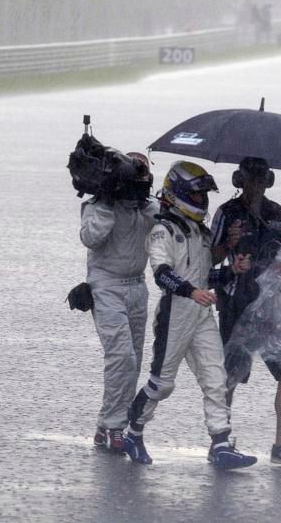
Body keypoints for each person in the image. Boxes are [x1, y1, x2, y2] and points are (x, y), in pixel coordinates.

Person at [125, 160, 257, 470]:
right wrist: (191, 292)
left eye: (203, 196)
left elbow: (203, 276)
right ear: (177, 194)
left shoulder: (200, 233)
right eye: (196, 196)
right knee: (162, 384)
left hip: (200, 312)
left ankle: (221, 443)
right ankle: (133, 432)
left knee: (216, 378)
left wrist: (229, 271)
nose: (201, 201)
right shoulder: (163, 231)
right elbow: (162, 274)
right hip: (175, 315)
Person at [210, 156, 281, 466]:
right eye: (250, 178)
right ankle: (221, 441)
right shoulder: (227, 213)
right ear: (239, 180)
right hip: (236, 303)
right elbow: (208, 258)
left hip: (272, 306)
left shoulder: (277, 214)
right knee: (229, 375)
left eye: (260, 178)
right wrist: (229, 244)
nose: (255, 185)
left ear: (268, 181)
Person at [80, 151, 159, 453]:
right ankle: (113, 425)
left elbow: (169, 220)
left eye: (143, 175)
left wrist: (143, 197)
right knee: (121, 357)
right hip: (105, 286)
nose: (137, 181)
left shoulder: (147, 207)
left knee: (134, 361)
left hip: (137, 287)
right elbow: (91, 238)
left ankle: (110, 425)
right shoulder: (97, 206)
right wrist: (109, 200)